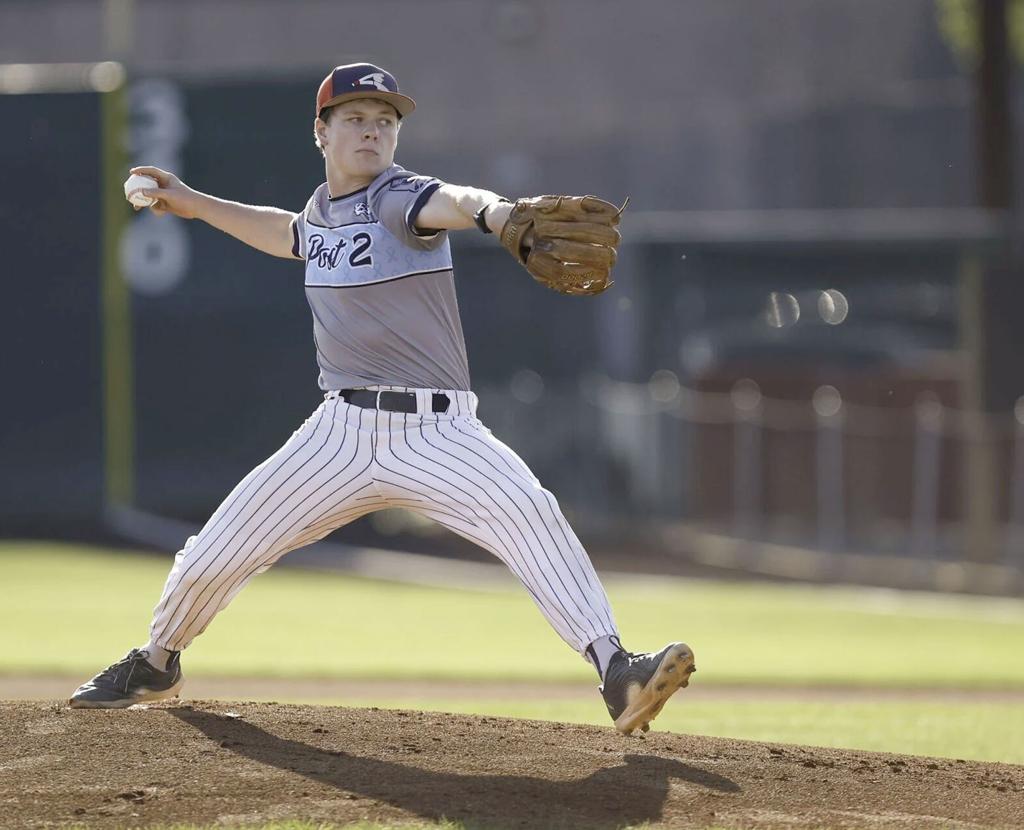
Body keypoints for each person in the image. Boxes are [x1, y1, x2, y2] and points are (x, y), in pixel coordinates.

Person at [69, 63, 695, 735]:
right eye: (356, 119)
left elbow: (451, 201)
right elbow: (284, 232)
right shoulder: (320, 212)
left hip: (437, 434)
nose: (373, 131)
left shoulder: (402, 197)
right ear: (322, 132)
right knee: (215, 551)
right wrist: (190, 201)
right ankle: (157, 661)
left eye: (385, 121)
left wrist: (497, 213)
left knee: (528, 513)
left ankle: (616, 670)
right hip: (338, 433)